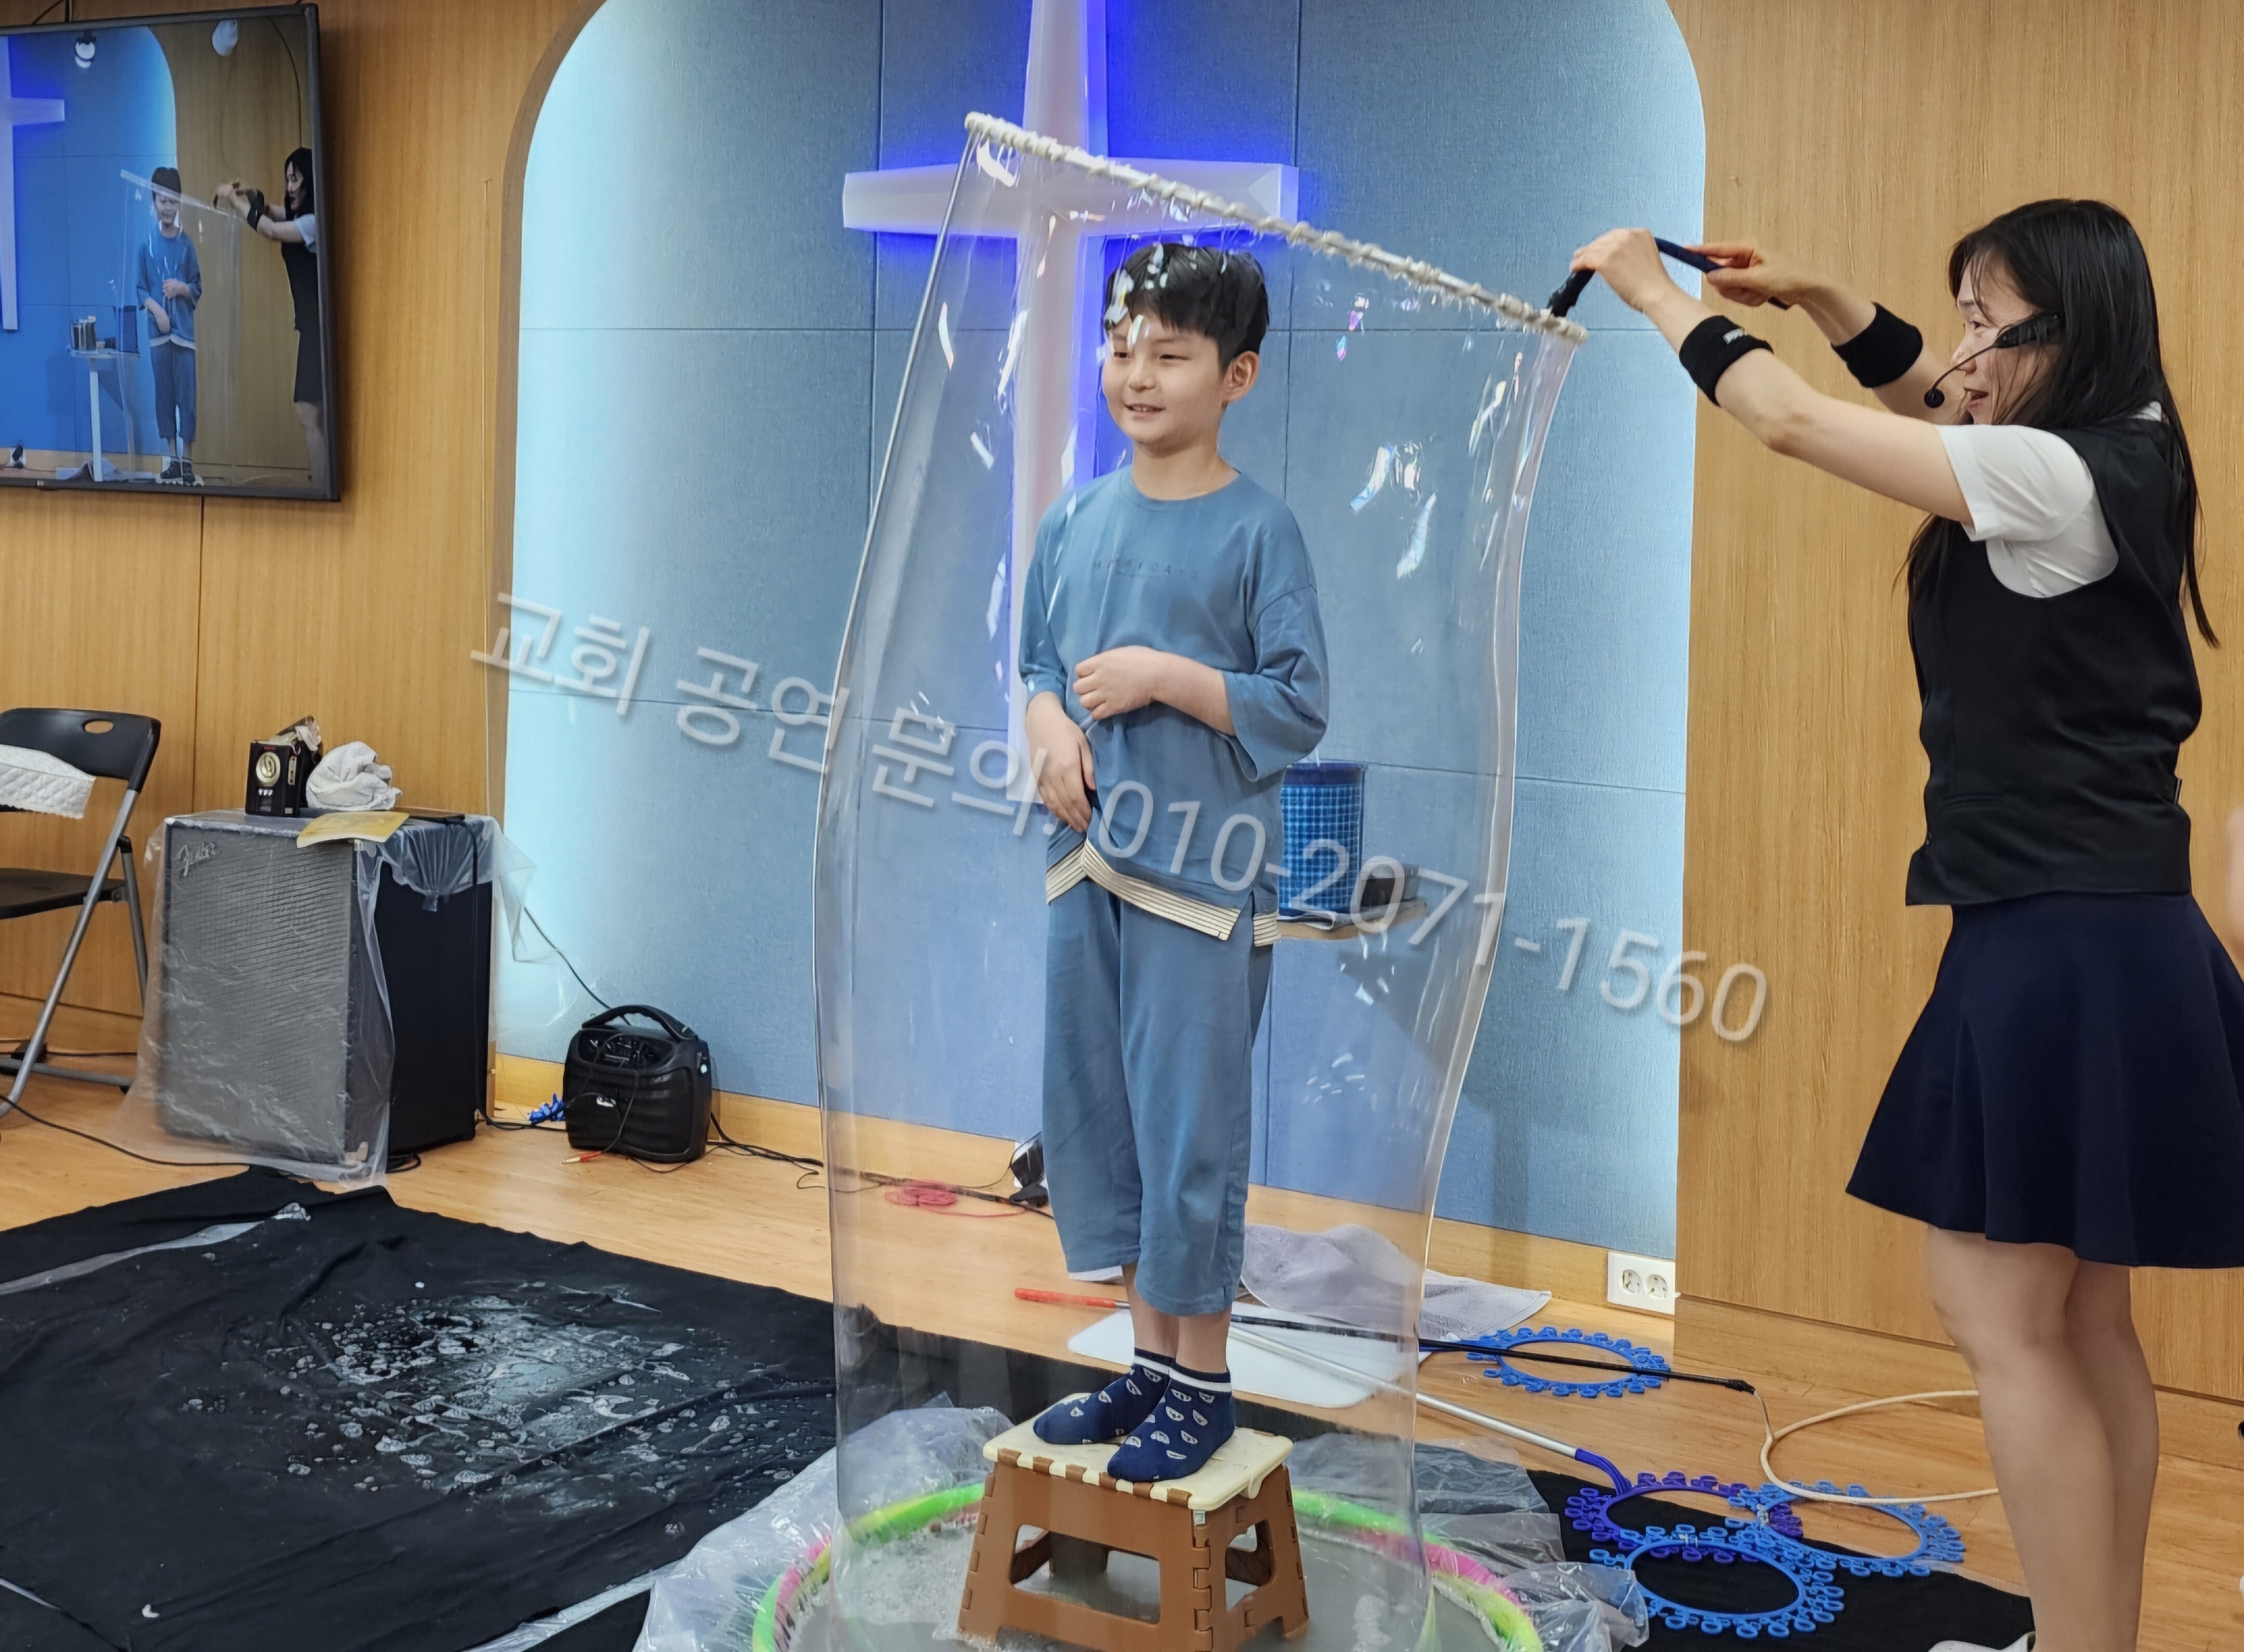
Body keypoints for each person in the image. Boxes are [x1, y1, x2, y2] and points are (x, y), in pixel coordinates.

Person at [1571, 202, 2244, 1652]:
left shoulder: (2053, 473)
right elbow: (1929, 403)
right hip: (2116, 932)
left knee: (2000, 1314)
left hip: (2057, 942)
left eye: (1988, 325)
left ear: (2069, 329)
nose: (1963, 357)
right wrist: (1826, 293)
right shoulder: (2127, 444)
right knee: (2080, 1320)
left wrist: (1652, 296)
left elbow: (1791, 426)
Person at [1018, 243, 1328, 1482]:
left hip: (1201, 888)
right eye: (1120, 349)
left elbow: (1298, 704)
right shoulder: (1073, 518)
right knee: (1100, 1122)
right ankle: (1147, 1368)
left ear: (1237, 375)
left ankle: (1204, 1383)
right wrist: (1048, 727)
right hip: (1082, 870)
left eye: (1171, 355)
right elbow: (1040, 665)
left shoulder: (1261, 531)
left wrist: (1167, 678)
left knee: (1190, 1129)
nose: (1136, 376)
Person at [216, 147, 324, 492]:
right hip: (311, 326)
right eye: (287, 179)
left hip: (319, 328)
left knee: (307, 412)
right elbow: (271, 212)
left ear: (310, 182)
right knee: (315, 413)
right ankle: (323, 483)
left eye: (296, 179)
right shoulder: (300, 216)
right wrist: (250, 195)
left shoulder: (313, 223)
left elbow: (271, 230)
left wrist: (234, 202)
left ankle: (323, 488)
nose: (290, 187)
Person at [137, 167, 201, 484]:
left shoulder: (187, 246)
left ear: (180, 203)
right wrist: (158, 311)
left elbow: (197, 287)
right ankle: (173, 459)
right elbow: (140, 290)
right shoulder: (146, 246)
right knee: (164, 398)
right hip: (158, 339)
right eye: (162, 200)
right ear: (153, 201)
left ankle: (187, 461)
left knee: (187, 398)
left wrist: (181, 289)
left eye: (173, 201)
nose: (168, 207)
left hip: (184, 337)